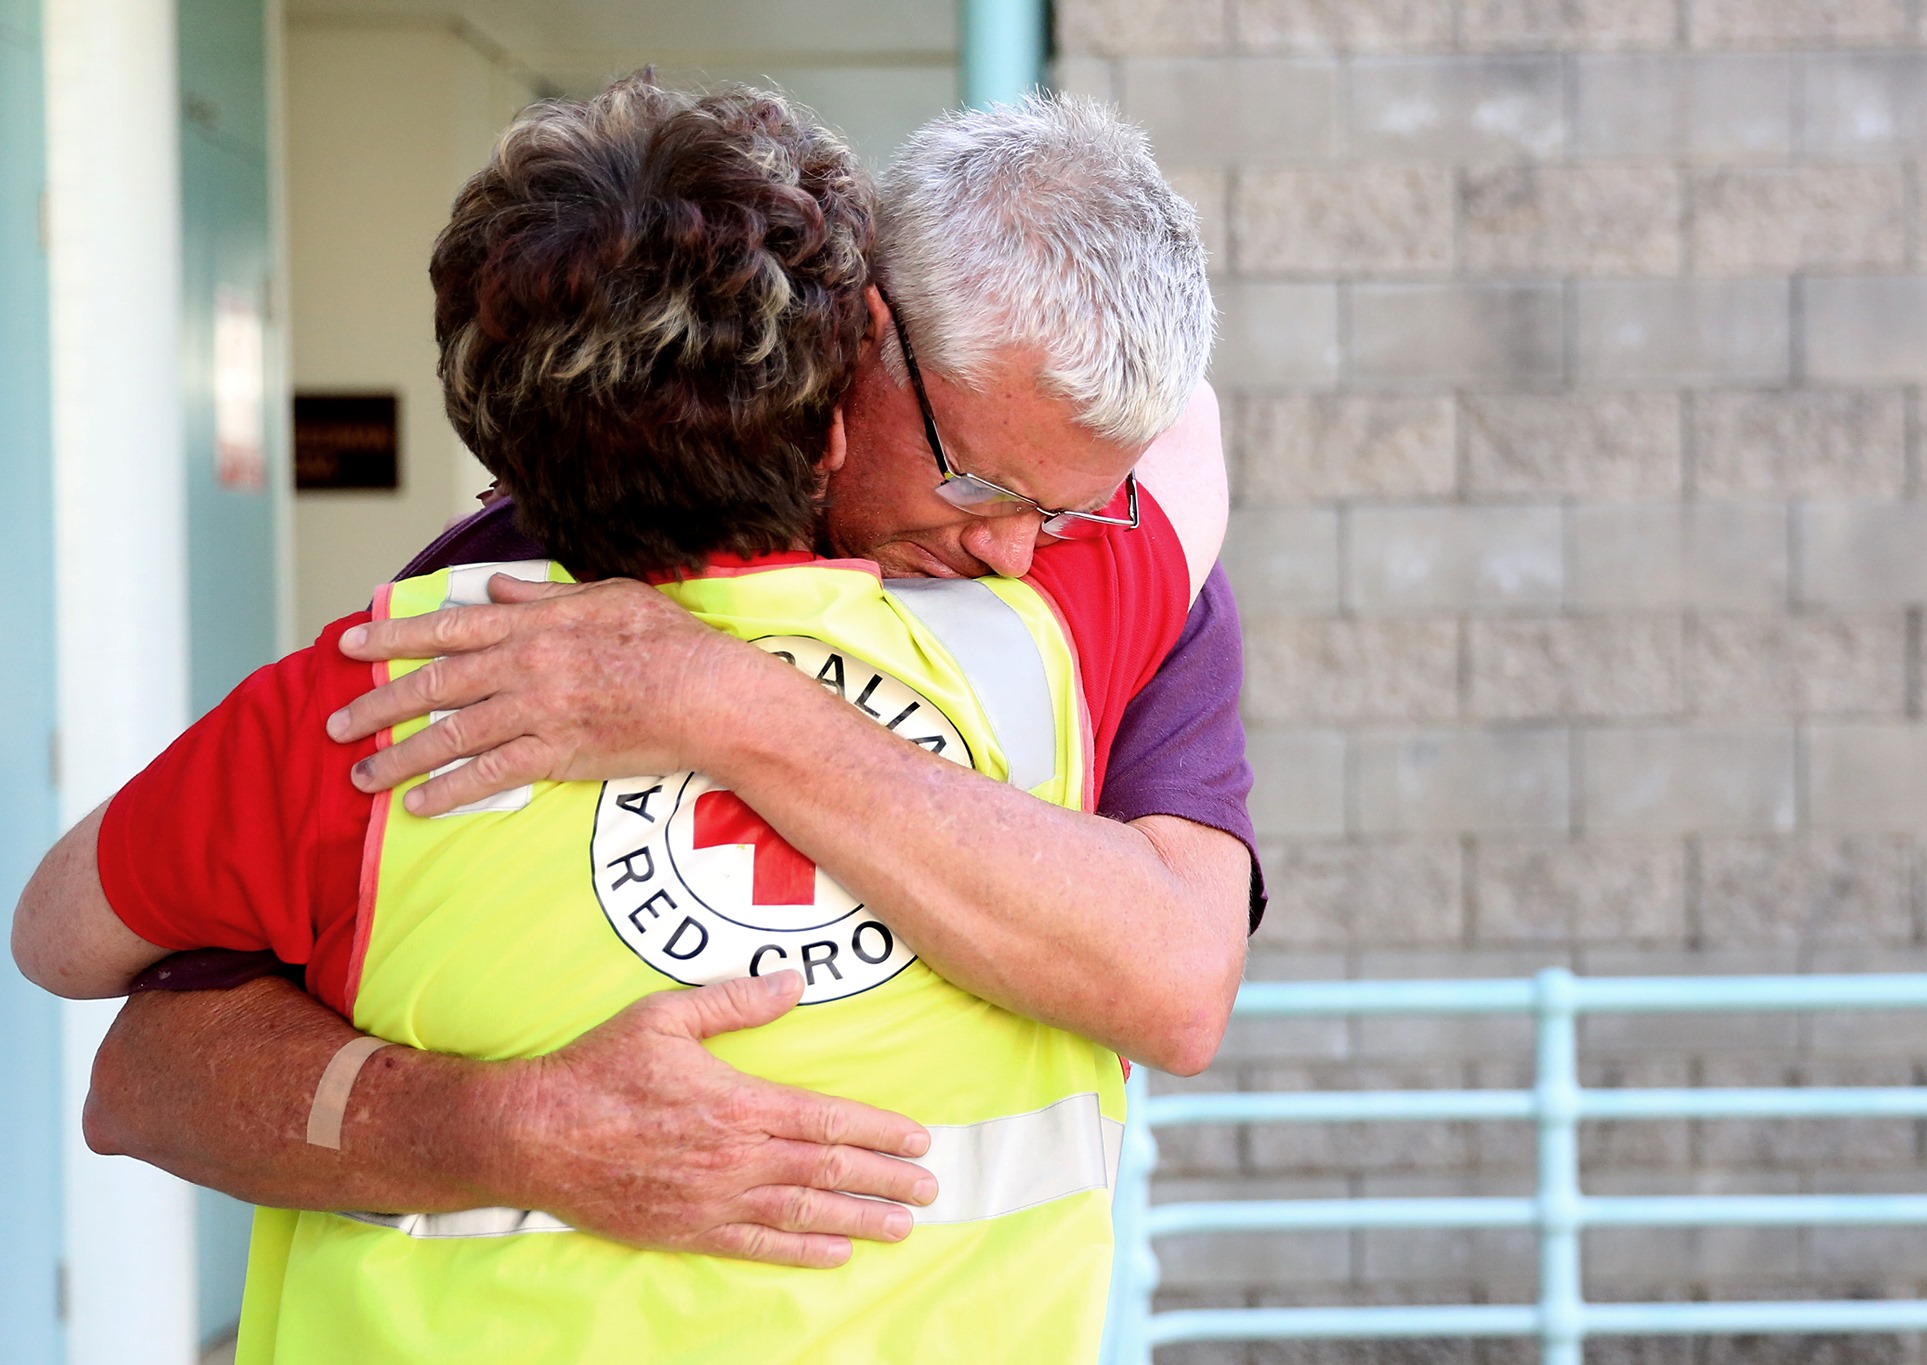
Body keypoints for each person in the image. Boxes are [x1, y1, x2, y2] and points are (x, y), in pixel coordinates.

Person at [15, 78, 1226, 1363]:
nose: (1016, 549)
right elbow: (144, 1077)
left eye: (1077, 506)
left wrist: (726, 704)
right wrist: (497, 1129)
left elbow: (58, 933)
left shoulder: (379, 685)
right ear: (851, 362)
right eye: (979, 479)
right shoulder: (1065, 626)